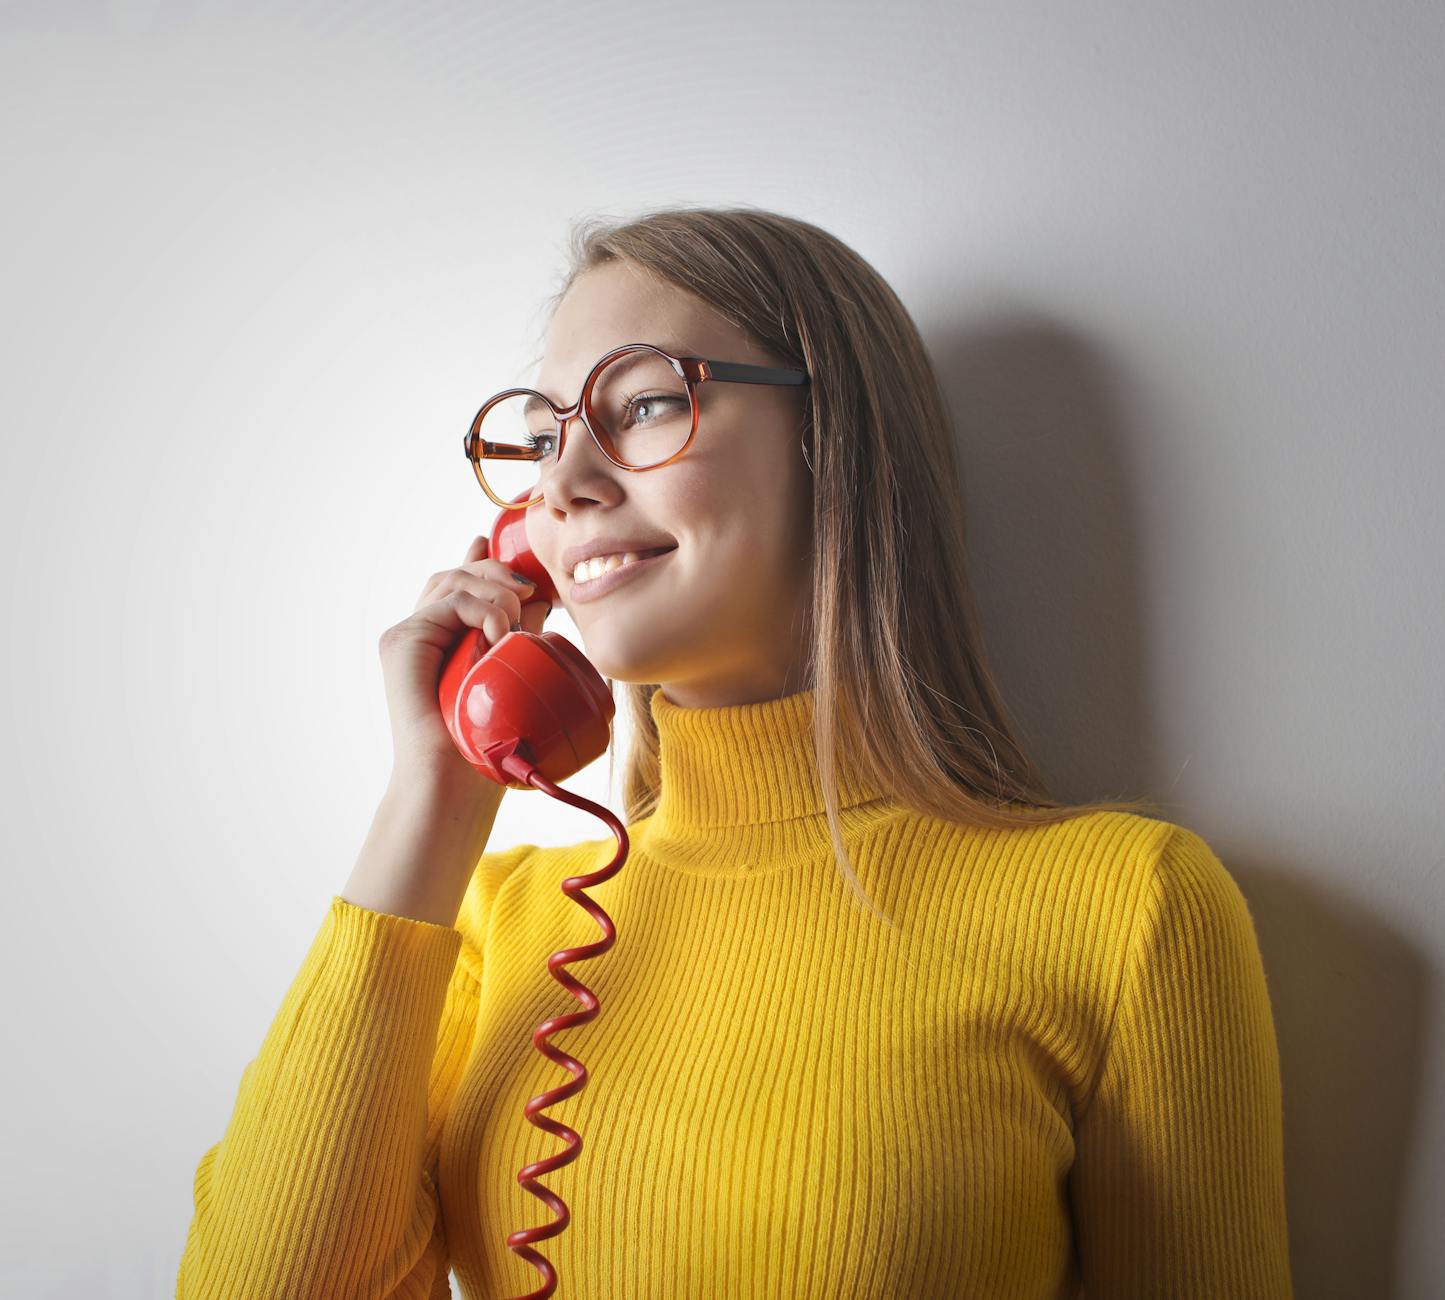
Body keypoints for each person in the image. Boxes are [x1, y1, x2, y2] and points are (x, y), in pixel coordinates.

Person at [175, 205, 1293, 1298]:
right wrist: (433, 798)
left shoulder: (1125, 909)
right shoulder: (504, 923)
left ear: (832, 442)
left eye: (645, 404)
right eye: (544, 436)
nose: (560, 486)